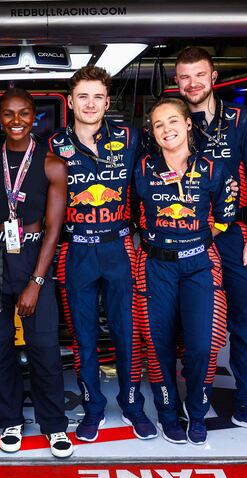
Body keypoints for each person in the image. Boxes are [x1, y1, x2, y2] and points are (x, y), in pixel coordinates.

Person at [175, 46, 247, 441]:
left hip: (233, 232)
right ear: (176, 81)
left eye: (199, 75)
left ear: (214, 77)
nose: (192, 83)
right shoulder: (170, 119)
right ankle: (189, 407)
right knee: (190, 323)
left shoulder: (241, 120)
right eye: (184, 77)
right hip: (183, 233)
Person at [48, 66, 156, 442]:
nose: (90, 104)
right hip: (75, 249)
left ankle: (132, 404)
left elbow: (154, 179)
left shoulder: (131, 138)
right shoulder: (53, 145)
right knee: (84, 336)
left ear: (108, 102)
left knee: (128, 333)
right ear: (70, 101)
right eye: (83, 96)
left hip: (119, 247)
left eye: (97, 97)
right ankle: (93, 406)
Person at [0, 88, 73, 458]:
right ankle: (10, 420)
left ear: (35, 117)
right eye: (8, 114)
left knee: (43, 346)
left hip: (32, 255)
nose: (16, 121)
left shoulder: (52, 164)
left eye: (23, 113)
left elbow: (54, 229)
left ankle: (55, 425)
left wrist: (36, 282)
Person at [134, 98, 235, 444]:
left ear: (188, 124)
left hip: (199, 265)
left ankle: (196, 411)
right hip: (154, 264)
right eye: (158, 124)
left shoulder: (212, 168)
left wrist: (192, 241)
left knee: (203, 345)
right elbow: (135, 213)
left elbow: (224, 218)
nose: (167, 130)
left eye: (173, 121)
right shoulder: (143, 168)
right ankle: (167, 412)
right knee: (157, 341)